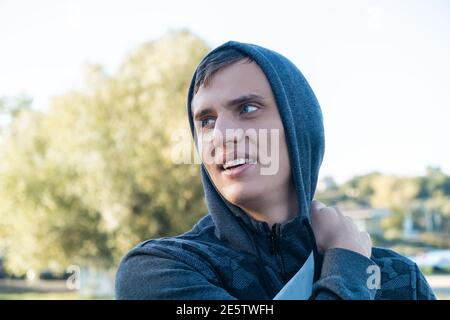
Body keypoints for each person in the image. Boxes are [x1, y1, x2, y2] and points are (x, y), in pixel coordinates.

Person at [115, 41, 435, 300]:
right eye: (206, 120)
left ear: (299, 126)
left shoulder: (399, 278)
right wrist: (348, 267)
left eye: (247, 109)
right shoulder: (160, 271)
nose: (221, 135)